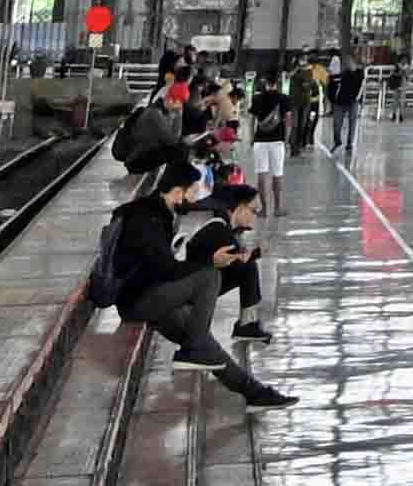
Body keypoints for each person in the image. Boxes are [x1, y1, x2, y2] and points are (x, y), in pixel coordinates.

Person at [93, 162, 292, 408]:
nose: (194, 199)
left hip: (151, 295)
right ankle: (195, 349)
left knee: (205, 343)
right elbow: (164, 268)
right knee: (209, 276)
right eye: (192, 193)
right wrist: (210, 262)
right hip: (139, 300)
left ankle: (255, 393)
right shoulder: (147, 218)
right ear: (178, 191)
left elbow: (158, 265)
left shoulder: (157, 212)